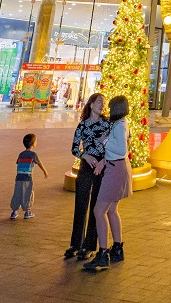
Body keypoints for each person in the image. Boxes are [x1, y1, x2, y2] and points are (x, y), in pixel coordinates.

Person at [83, 94, 131, 273]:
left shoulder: (119, 126)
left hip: (115, 170)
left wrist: (105, 140)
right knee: (111, 210)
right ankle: (117, 247)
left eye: (111, 107)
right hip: (117, 167)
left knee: (98, 210)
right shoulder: (121, 124)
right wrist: (103, 160)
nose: (108, 109)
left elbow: (120, 149)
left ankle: (103, 253)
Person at [66, 93, 111, 261]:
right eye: (99, 102)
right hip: (86, 165)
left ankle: (90, 245)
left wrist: (102, 161)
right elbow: (74, 148)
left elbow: (113, 145)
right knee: (81, 203)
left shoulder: (107, 124)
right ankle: (75, 244)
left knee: (96, 206)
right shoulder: (83, 125)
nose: (102, 105)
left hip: (101, 166)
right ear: (91, 104)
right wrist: (84, 156)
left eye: (103, 103)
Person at [10, 132, 49, 219]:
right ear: (33, 143)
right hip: (28, 178)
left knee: (17, 193)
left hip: (18, 177)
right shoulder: (33, 155)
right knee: (28, 193)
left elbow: (17, 163)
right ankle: (27, 212)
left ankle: (14, 211)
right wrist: (45, 171)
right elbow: (39, 163)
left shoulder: (21, 154)